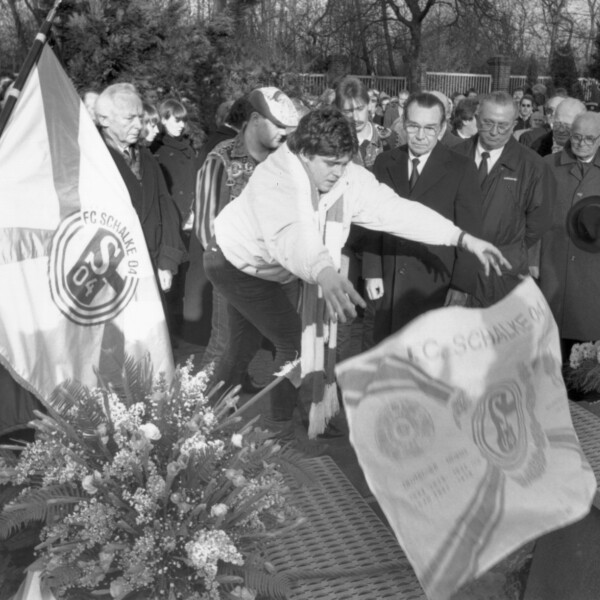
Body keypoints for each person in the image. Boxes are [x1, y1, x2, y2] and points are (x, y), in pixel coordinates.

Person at [204, 106, 510, 438]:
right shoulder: (276, 178)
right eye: (330, 164)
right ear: (304, 153)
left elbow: (396, 212)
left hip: (283, 270)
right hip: (234, 264)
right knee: (287, 343)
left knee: (254, 345)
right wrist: (324, 270)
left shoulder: (348, 176)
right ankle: (224, 424)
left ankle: (248, 420)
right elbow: (292, 234)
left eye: (344, 162)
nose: (338, 172)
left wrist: (460, 238)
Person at [192, 87, 298, 380]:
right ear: (254, 119)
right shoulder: (220, 160)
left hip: (282, 273)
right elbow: (206, 228)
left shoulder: (287, 162)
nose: (284, 133)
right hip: (234, 274)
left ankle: (284, 418)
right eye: (277, 124)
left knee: (290, 344)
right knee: (225, 347)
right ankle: (200, 415)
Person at [363, 92, 483, 342]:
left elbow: (469, 232)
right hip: (390, 279)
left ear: (441, 130)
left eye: (429, 128)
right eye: (414, 126)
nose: (420, 135)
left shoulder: (461, 168)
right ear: (403, 124)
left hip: (435, 283)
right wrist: (372, 269)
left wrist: (461, 286)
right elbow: (371, 219)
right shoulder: (385, 162)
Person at [453, 92, 553, 306]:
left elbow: (538, 223)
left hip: (502, 270)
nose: (495, 132)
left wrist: (510, 249)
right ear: (477, 118)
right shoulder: (453, 156)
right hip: (455, 267)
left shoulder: (532, 165)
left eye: (503, 126)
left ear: (515, 124)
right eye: (488, 123)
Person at [95, 84, 185, 293]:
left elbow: (165, 206)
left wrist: (167, 261)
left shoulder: (146, 158)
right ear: (104, 119)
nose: (138, 125)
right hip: (110, 275)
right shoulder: (91, 160)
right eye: (129, 118)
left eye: (140, 117)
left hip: (152, 267)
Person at [182, 96, 251, 345]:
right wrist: (221, 254)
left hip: (249, 260)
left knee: (239, 336)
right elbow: (205, 216)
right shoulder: (221, 153)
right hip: (227, 258)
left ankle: (237, 379)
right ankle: (214, 383)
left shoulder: (260, 155)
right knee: (222, 338)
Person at [539, 112, 600, 358]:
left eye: (589, 138)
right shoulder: (547, 164)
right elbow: (533, 213)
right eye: (577, 137)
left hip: (592, 267)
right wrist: (533, 259)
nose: (582, 143)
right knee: (550, 329)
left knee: (587, 325)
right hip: (553, 259)